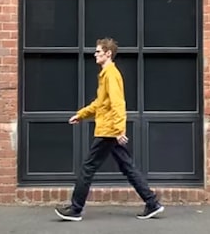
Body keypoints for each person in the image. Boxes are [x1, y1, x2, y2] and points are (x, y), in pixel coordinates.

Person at [54, 37, 164, 222]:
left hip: (108, 131)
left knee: (88, 167)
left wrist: (120, 130)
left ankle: (75, 209)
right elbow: (101, 103)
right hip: (109, 129)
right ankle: (152, 203)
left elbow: (118, 103)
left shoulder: (111, 74)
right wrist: (81, 115)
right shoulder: (106, 74)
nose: (95, 54)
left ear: (108, 53)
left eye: (98, 51)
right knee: (127, 166)